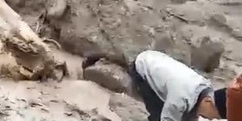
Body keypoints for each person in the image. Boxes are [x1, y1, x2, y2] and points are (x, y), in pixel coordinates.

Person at [82, 50, 227, 121]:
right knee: (158, 116)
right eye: (214, 116)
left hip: (158, 60)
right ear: (208, 102)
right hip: (144, 69)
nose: (210, 119)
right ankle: (98, 58)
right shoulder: (180, 97)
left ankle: (101, 55)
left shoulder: (206, 89)